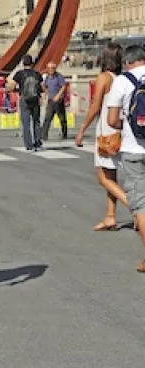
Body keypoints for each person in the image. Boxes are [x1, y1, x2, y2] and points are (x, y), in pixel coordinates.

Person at [75, 43, 128, 231]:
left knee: (102, 177)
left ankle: (135, 208)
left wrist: (82, 129)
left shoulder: (104, 78)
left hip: (106, 130)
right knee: (110, 174)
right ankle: (110, 216)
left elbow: (95, 106)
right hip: (120, 130)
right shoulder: (121, 78)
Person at [105, 45, 145, 273]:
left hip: (134, 149)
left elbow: (112, 120)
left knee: (140, 204)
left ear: (128, 62)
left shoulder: (122, 80)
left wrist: (131, 124)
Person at [7, 55, 43, 151]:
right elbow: (43, 87)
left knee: (26, 123)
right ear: (32, 63)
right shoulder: (37, 74)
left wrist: (15, 89)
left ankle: (28, 144)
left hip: (24, 99)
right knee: (36, 121)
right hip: (35, 99)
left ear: (23, 63)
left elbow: (11, 86)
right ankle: (38, 142)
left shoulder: (20, 74)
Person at [41, 62, 69, 141]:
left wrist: (58, 95)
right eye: (49, 68)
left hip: (58, 101)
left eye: (52, 68)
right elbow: (45, 86)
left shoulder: (59, 76)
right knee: (47, 118)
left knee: (62, 118)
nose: (51, 70)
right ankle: (44, 136)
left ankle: (64, 134)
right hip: (50, 100)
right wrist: (45, 91)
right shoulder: (47, 77)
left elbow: (64, 86)